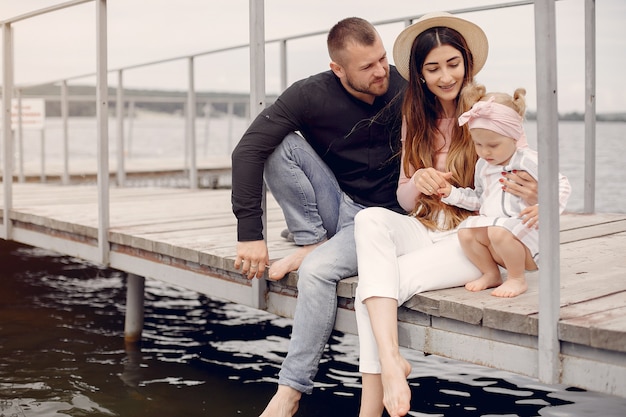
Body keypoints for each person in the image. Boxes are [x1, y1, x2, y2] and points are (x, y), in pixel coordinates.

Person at [352, 12, 540, 417]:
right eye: (432, 68)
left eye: (452, 64)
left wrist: (535, 192)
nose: (445, 76)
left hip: (471, 239)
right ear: (419, 74)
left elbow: (524, 174)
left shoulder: (491, 111)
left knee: (369, 289)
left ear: (467, 62)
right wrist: (418, 179)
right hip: (424, 226)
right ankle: (391, 363)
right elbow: (403, 201)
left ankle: (375, 398)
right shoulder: (414, 116)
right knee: (368, 220)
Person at [230, 17, 407, 417]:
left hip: (384, 221)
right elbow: (247, 151)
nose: (381, 71)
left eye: (382, 58)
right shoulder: (310, 94)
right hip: (340, 206)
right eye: (367, 66)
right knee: (276, 145)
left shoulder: (405, 86)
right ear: (338, 70)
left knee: (316, 273)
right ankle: (312, 240)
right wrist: (250, 234)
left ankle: (290, 391)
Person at [440, 83, 571, 297]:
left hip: (528, 241)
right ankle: (491, 273)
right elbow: (480, 199)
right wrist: (451, 193)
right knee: (465, 232)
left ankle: (517, 279)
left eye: (493, 145)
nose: (485, 151)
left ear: (513, 136)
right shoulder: (483, 165)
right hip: (498, 239)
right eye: (478, 144)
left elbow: (562, 183)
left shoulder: (527, 160)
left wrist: (546, 206)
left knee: (498, 231)